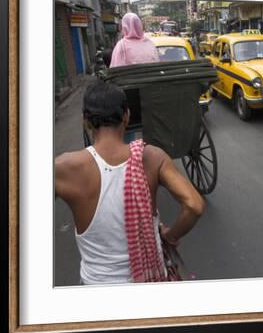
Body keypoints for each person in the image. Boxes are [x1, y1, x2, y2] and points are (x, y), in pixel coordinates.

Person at [55, 81, 205, 284]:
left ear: (85, 121)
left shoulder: (63, 167)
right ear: (126, 116)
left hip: (96, 287)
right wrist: (169, 235)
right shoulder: (153, 157)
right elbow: (194, 205)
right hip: (149, 282)